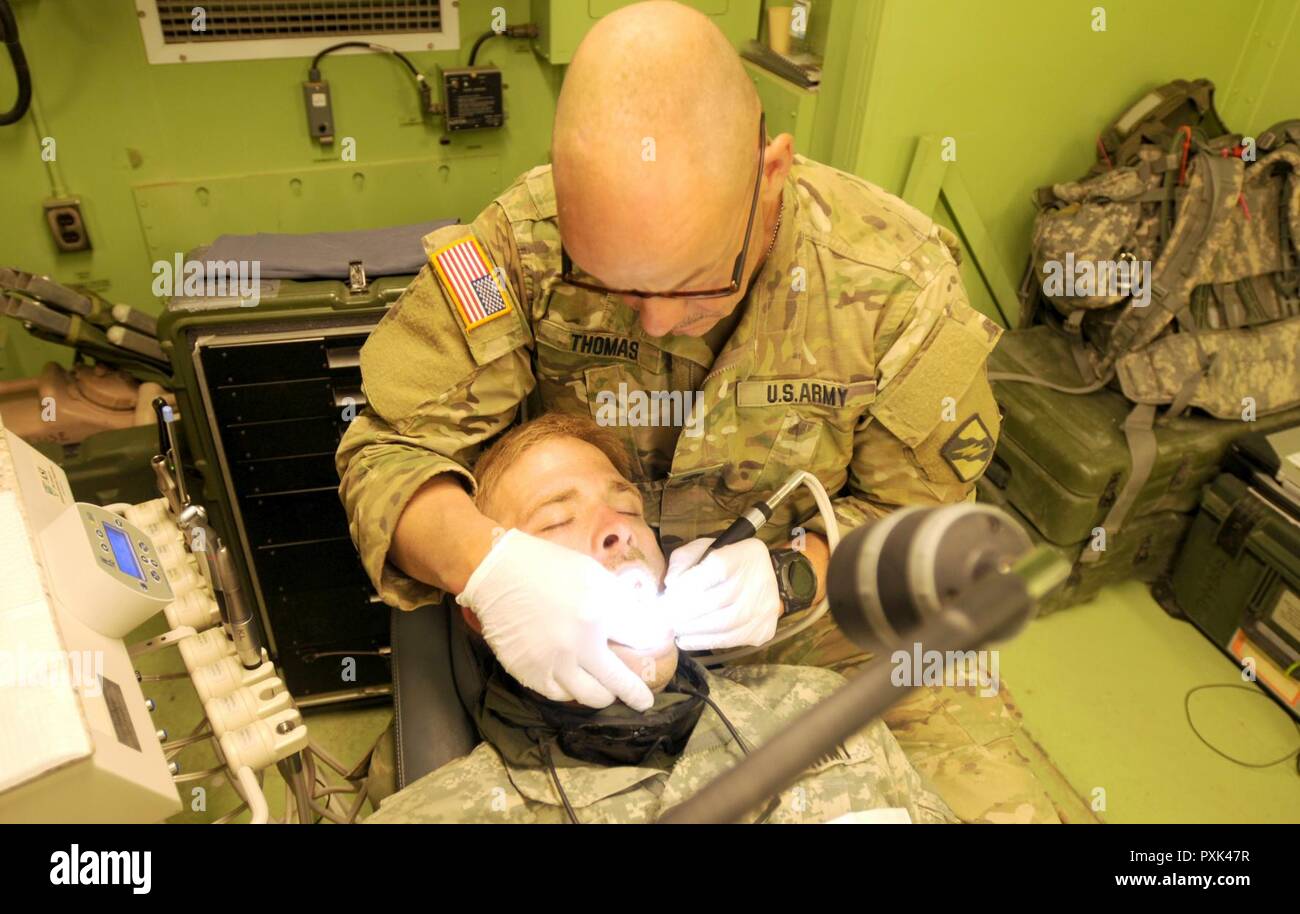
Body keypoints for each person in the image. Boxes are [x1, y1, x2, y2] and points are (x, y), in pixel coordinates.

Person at [335, 0, 1003, 712]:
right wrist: (487, 567)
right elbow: (387, 456)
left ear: (769, 173)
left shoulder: (895, 285)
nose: (655, 322)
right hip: (574, 676)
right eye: (611, 283)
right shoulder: (521, 245)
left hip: (831, 664)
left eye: (695, 283)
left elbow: (932, 525)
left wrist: (796, 572)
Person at [365, 414, 957, 824]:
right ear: (488, 608)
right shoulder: (444, 810)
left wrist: (795, 572)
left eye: (625, 505)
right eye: (553, 521)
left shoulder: (823, 711)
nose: (620, 526)